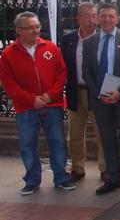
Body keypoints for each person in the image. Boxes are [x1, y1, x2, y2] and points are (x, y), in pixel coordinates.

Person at [0, 12, 76, 195]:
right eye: (30, 27)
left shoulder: (50, 47)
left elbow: (61, 73)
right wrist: (30, 99)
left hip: (52, 105)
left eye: (37, 26)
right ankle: (32, 180)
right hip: (26, 107)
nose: (35, 30)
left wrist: (50, 95)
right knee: (28, 144)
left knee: (57, 142)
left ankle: (61, 177)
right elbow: (9, 82)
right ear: (19, 30)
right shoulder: (8, 54)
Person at [82, 3, 120, 196]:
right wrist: (98, 93)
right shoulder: (90, 42)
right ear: (98, 19)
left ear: (117, 19)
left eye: (111, 16)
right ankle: (113, 178)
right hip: (101, 100)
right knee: (107, 140)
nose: (107, 19)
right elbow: (86, 71)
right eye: (103, 16)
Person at [60, 2, 106, 183]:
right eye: (87, 15)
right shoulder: (68, 39)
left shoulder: (104, 38)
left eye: (95, 15)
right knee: (75, 135)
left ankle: (105, 168)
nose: (92, 20)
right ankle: (77, 168)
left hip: (96, 93)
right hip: (75, 92)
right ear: (78, 18)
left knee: (102, 134)